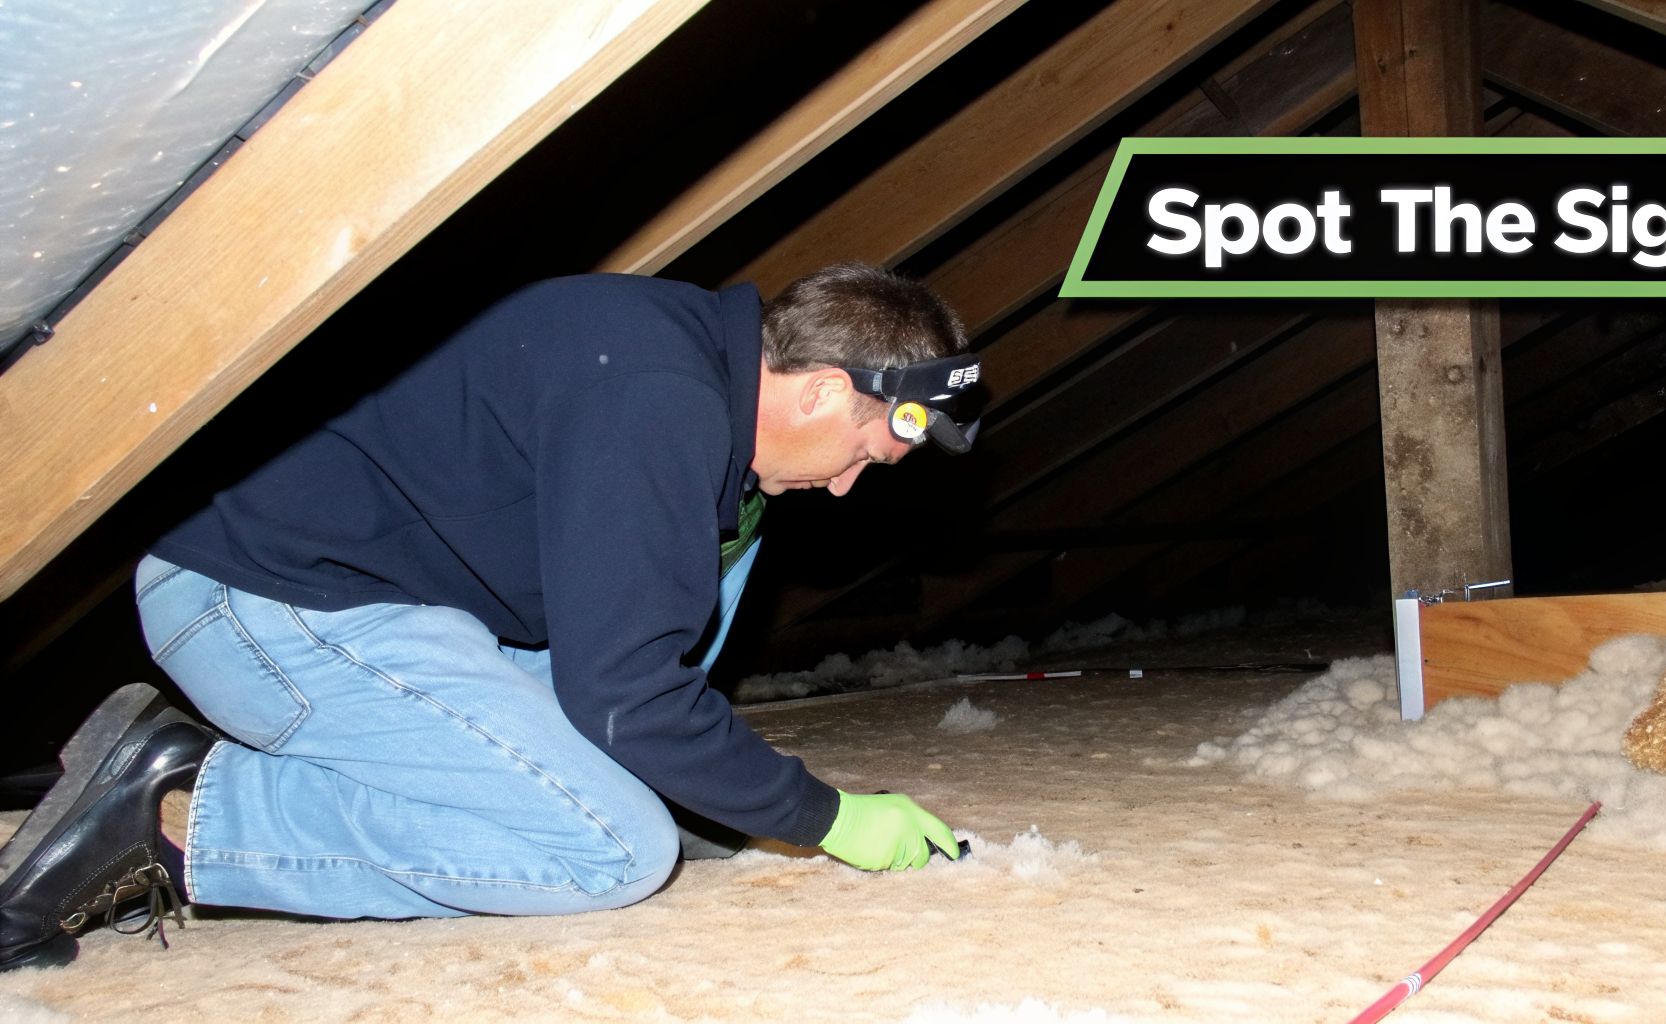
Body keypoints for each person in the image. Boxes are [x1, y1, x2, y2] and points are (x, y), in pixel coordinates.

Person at [0, 262, 981, 971]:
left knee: (613, 790)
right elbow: (625, 695)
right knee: (607, 849)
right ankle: (174, 810)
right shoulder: (659, 400)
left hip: (352, 602)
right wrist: (823, 815)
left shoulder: (666, 354)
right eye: (861, 453)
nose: (846, 488)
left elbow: (611, 655)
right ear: (820, 389)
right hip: (263, 601)